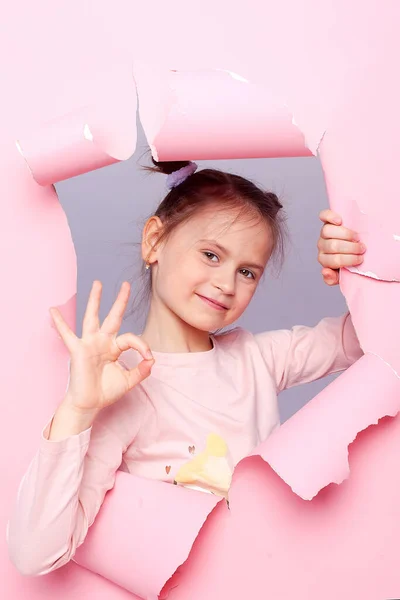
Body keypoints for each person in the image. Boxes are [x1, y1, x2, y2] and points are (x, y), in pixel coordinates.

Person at [7, 160, 365, 576]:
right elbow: (34, 554)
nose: (227, 284)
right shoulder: (123, 388)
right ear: (155, 240)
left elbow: (371, 337)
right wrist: (78, 409)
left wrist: (356, 270)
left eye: (247, 272)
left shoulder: (259, 358)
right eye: (211, 255)